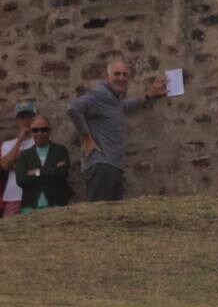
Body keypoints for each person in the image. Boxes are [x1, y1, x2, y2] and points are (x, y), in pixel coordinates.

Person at [65, 59, 168, 202]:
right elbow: (73, 109)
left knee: (111, 217)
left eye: (125, 75)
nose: (121, 78)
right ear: (107, 77)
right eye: (117, 74)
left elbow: (124, 107)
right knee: (101, 215)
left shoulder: (113, 99)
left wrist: (148, 95)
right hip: (102, 165)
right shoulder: (100, 95)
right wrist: (87, 137)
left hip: (111, 166)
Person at [12, 116, 70, 212]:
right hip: (30, 207)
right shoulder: (25, 155)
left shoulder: (60, 150)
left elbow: (62, 173)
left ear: (50, 131)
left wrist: (37, 172)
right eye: (35, 130)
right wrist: (51, 171)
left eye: (44, 130)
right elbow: (21, 180)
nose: (39, 133)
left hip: (57, 205)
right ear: (31, 132)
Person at [0, 101, 38, 215]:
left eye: (29, 117)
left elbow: (40, 169)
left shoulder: (40, 142)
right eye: (22, 117)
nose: (26, 120)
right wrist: (20, 139)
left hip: (34, 193)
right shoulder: (7, 145)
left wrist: (18, 166)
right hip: (13, 195)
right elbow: (5, 165)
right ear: (17, 120)